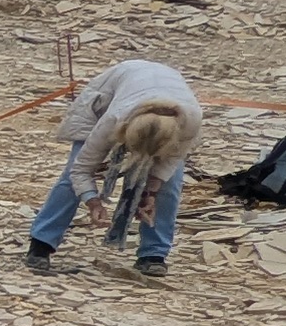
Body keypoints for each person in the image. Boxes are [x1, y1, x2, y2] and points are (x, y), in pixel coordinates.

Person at [27, 58, 202, 279]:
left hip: (165, 99)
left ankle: (154, 254)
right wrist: (92, 200)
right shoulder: (114, 118)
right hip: (112, 92)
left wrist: (151, 193)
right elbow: (82, 169)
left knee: (169, 184)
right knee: (70, 177)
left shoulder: (191, 121)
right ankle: (41, 243)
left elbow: (170, 161)